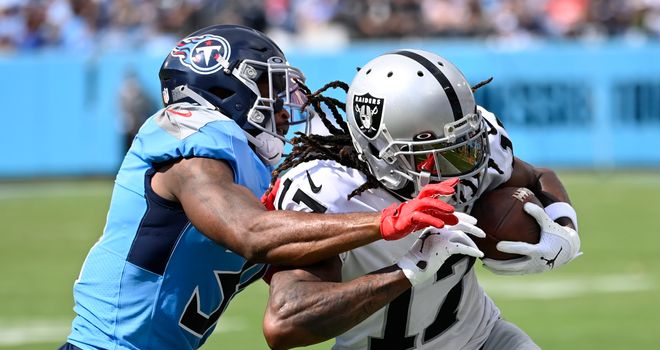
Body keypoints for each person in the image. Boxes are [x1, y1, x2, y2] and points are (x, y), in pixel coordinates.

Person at [59, 27, 462, 350]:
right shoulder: (192, 153)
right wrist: (386, 222)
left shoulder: (248, 169)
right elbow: (250, 233)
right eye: (271, 89)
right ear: (223, 91)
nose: (285, 109)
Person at [262, 49, 582, 349]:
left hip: (483, 338)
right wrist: (408, 270)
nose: (463, 169)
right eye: (436, 154)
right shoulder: (330, 193)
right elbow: (285, 322)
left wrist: (563, 225)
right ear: (382, 152)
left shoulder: (480, 147)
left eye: (462, 148)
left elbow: (536, 176)